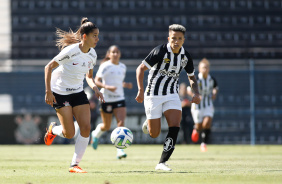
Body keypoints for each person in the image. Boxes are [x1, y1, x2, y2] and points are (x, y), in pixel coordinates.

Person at [135, 24, 200, 171]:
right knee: (154, 133)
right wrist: (140, 90)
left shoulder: (185, 56)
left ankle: (162, 163)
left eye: (179, 38)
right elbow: (140, 68)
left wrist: (196, 92)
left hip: (172, 94)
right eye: (173, 38)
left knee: (175, 125)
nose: (176, 41)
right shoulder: (160, 51)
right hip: (153, 94)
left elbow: (192, 78)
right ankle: (149, 122)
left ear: (184, 40)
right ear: (168, 38)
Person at [44, 17, 105, 173]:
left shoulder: (93, 54)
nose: (97, 39)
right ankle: (53, 130)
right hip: (60, 93)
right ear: (85, 36)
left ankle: (74, 164)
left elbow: (89, 77)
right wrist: (48, 92)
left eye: (98, 35)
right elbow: (48, 67)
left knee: (86, 128)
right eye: (94, 35)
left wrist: (95, 88)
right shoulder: (71, 51)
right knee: (69, 133)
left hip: (78, 92)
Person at [91, 45, 133, 159]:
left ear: (120, 54)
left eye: (117, 52)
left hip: (119, 98)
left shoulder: (123, 67)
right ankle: (95, 134)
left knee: (121, 124)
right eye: (113, 52)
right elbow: (96, 81)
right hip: (106, 99)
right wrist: (107, 87)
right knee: (106, 126)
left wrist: (125, 85)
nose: (115, 54)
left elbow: (118, 82)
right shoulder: (105, 66)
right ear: (109, 54)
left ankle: (120, 150)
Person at [187, 58, 218, 152]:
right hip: (197, 107)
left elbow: (215, 88)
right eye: (203, 68)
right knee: (199, 126)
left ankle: (203, 144)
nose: (205, 69)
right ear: (199, 69)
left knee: (207, 122)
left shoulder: (211, 79)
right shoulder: (196, 79)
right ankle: (195, 129)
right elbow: (189, 89)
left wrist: (214, 93)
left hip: (208, 104)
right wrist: (194, 96)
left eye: (206, 67)